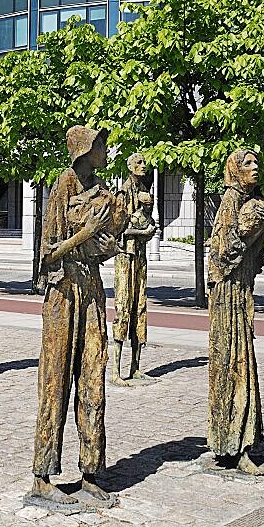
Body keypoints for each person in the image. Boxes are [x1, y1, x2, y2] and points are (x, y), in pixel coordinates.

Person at [31, 125, 120, 506]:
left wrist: (107, 241)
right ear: (85, 150)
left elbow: (106, 241)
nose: (106, 149)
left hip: (92, 293)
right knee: (55, 381)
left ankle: (90, 471)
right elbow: (46, 255)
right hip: (62, 296)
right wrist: (85, 234)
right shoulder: (63, 185)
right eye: (101, 144)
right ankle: (43, 476)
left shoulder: (103, 191)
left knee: (93, 379)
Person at [206, 149, 264, 476]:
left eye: (256, 162)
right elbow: (222, 253)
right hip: (227, 296)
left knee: (238, 364)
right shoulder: (230, 202)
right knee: (232, 365)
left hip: (240, 292)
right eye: (247, 163)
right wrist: (253, 226)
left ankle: (236, 444)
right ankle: (233, 446)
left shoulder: (247, 201)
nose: (255, 168)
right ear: (234, 170)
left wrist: (260, 231)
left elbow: (254, 258)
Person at [111, 153, 157, 386]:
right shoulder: (122, 193)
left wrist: (149, 214)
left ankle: (136, 367)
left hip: (140, 255)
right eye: (138, 162)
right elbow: (117, 229)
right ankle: (116, 372)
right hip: (125, 256)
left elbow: (149, 223)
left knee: (140, 306)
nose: (143, 165)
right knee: (123, 306)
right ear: (129, 166)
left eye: (143, 162)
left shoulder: (146, 192)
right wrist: (141, 232)